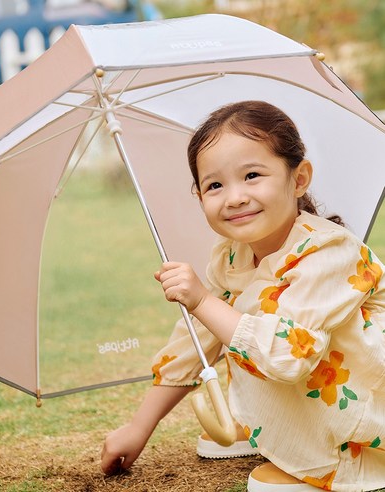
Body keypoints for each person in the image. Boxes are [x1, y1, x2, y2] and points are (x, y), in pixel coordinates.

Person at [101, 100, 385, 491]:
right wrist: (139, 427)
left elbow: (290, 356)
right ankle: (270, 426)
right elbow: (196, 341)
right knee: (230, 316)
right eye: (214, 185)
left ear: (299, 178)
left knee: (266, 329)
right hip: (309, 390)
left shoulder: (330, 253)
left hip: (369, 411)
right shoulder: (233, 255)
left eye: (252, 175)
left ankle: (337, 456)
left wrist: (203, 300)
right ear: (199, 196)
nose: (233, 197)